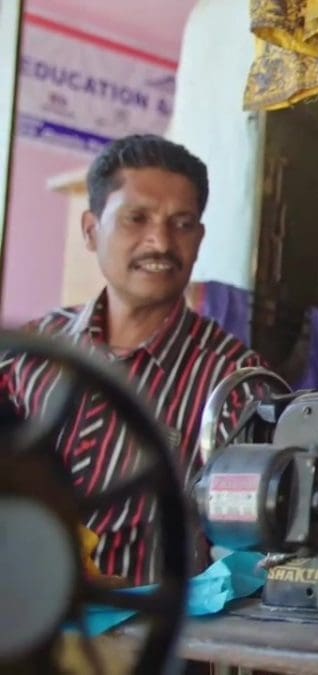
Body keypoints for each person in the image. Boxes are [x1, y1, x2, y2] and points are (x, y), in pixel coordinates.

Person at [0, 135, 268, 585]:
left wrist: (123, 593)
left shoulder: (233, 383)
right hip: (22, 637)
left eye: (182, 224)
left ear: (199, 239)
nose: (160, 241)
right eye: (136, 218)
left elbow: (248, 558)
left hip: (152, 645)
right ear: (91, 230)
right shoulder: (27, 355)